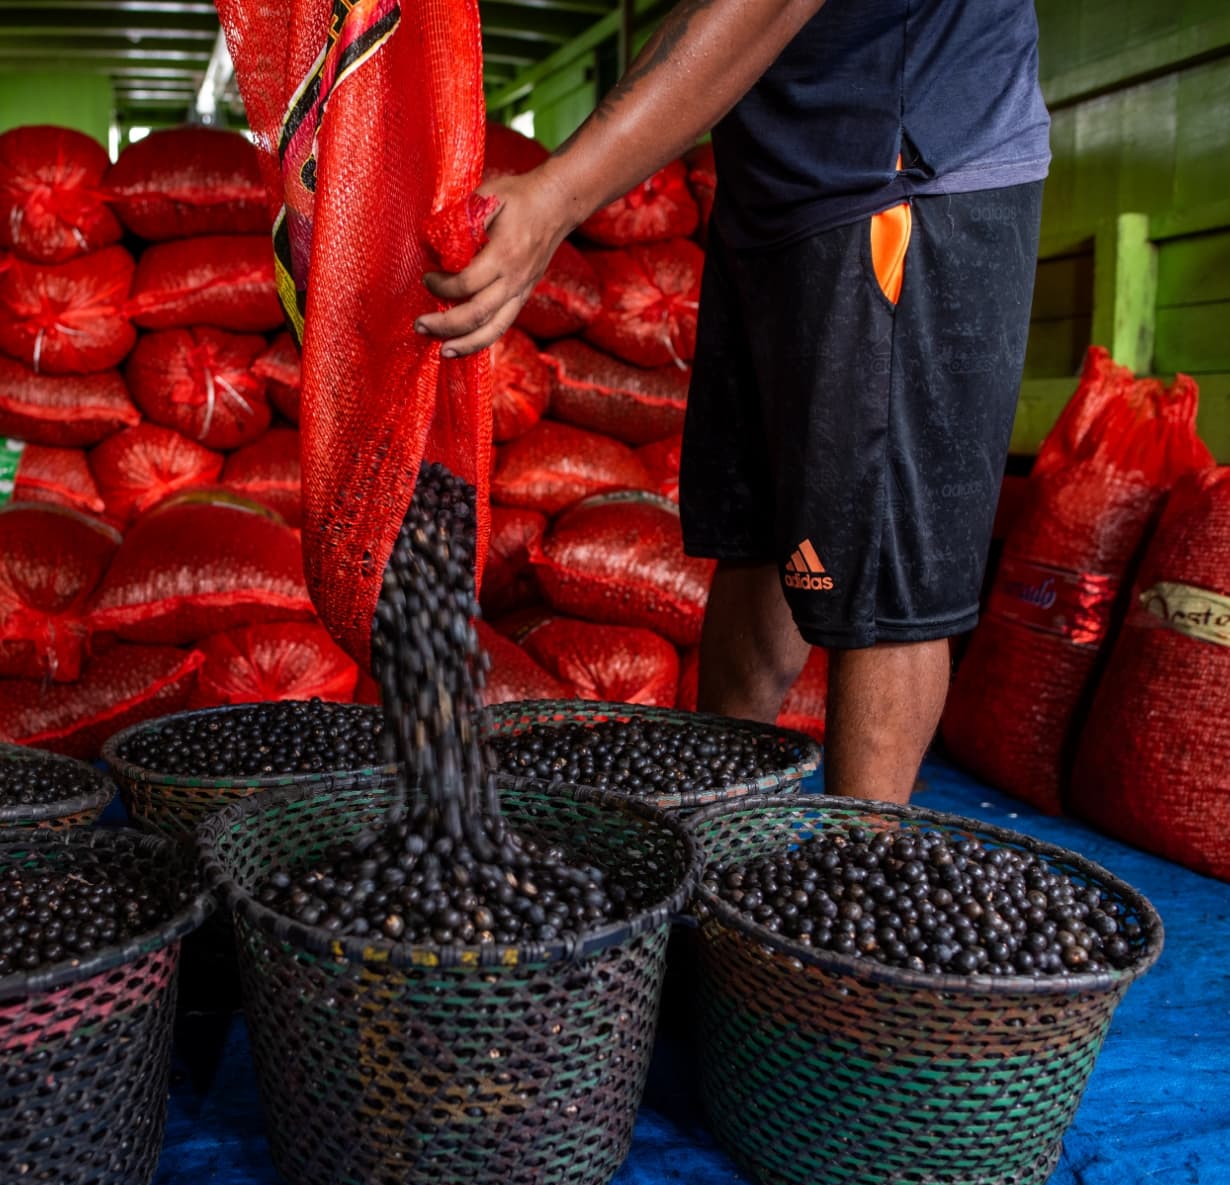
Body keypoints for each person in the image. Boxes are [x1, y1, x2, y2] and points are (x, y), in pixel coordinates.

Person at [415, 0, 1050, 805]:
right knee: (760, 537)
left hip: (900, 173)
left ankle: (857, 880)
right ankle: (712, 819)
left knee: (885, 583)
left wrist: (561, 195)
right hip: (773, 196)